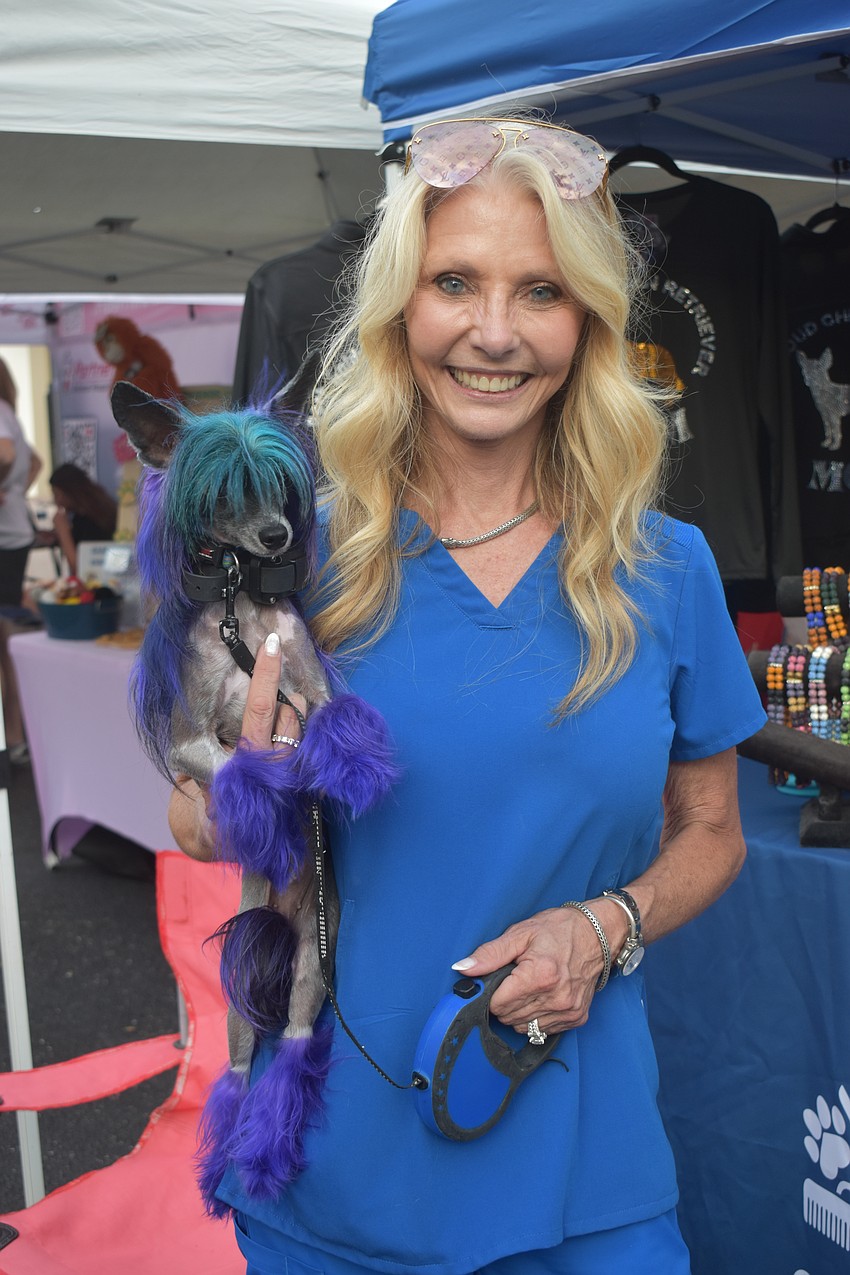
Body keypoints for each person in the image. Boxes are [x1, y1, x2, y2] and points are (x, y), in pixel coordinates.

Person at [170, 117, 767, 1274]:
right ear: (402, 305)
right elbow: (190, 816)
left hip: (585, 1166)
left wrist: (609, 924)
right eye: (455, 282)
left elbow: (713, 830)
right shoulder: (295, 555)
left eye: (538, 291)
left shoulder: (665, 566)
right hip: (339, 1169)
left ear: (585, 320)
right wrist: (246, 780)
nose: (493, 333)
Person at [0, 358, 41, 607]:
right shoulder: (7, 413)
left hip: (6, 536)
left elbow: (6, 455)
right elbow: (36, 462)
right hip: (14, 531)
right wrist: (15, 491)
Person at [48, 462, 118, 577]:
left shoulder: (88, 520)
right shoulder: (97, 509)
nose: (56, 501)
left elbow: (80, 567)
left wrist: (63, 531)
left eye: (57, 494)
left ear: (70, 492)